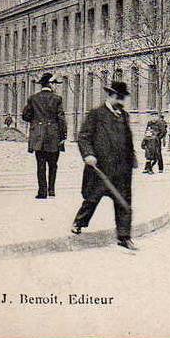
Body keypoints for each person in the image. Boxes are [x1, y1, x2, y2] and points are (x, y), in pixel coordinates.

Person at [71, 80, 137, 250]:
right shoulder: (96, 114)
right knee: (92, 198)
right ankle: (79, 222)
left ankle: (124, 237)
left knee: (124, 202)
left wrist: (132, 159)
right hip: (101, 167)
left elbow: (128, 140)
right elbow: (84, 136)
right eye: (119, 97)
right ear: (111, 95)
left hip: (122, 169)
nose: (121, 101)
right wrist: (88, 154)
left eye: (123, 98)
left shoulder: (124, 115)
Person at [20, 72, 67, 200]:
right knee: (53, 164)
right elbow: (61, 119)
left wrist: (36, 122)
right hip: (53, 136)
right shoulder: (57, 99)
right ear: (50, 84)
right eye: (55, 84)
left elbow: (25, 116)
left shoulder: (33, 98)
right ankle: (51, 190)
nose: (56, 87)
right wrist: (63, 136)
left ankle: (42, 192)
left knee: (40, 165)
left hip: (38, 137)